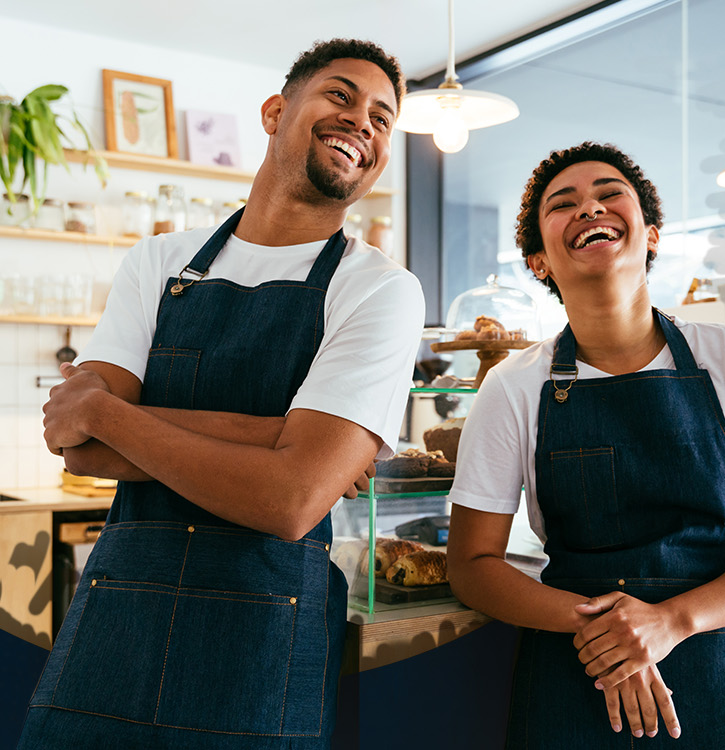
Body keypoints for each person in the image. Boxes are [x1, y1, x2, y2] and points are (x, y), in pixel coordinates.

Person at [20, 40, 423, 749]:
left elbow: (291, 501)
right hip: (119, 618)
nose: (363, 121)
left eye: (383, 118)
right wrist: (278, 440)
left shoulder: (380, 288)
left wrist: (116, 412)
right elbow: (76, 444)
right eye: (340, 95)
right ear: (276, 112)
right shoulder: (159, 260)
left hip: (262, 639)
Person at [447, 142, 725, 748]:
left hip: (717, 669)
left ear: (650, 234)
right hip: (575, 675)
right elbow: (472, 566)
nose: (590, 208)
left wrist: (669, 622)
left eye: (609, 194)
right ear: (538, 262)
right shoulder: (514, 385)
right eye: (563, 203)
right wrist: (607, 633)